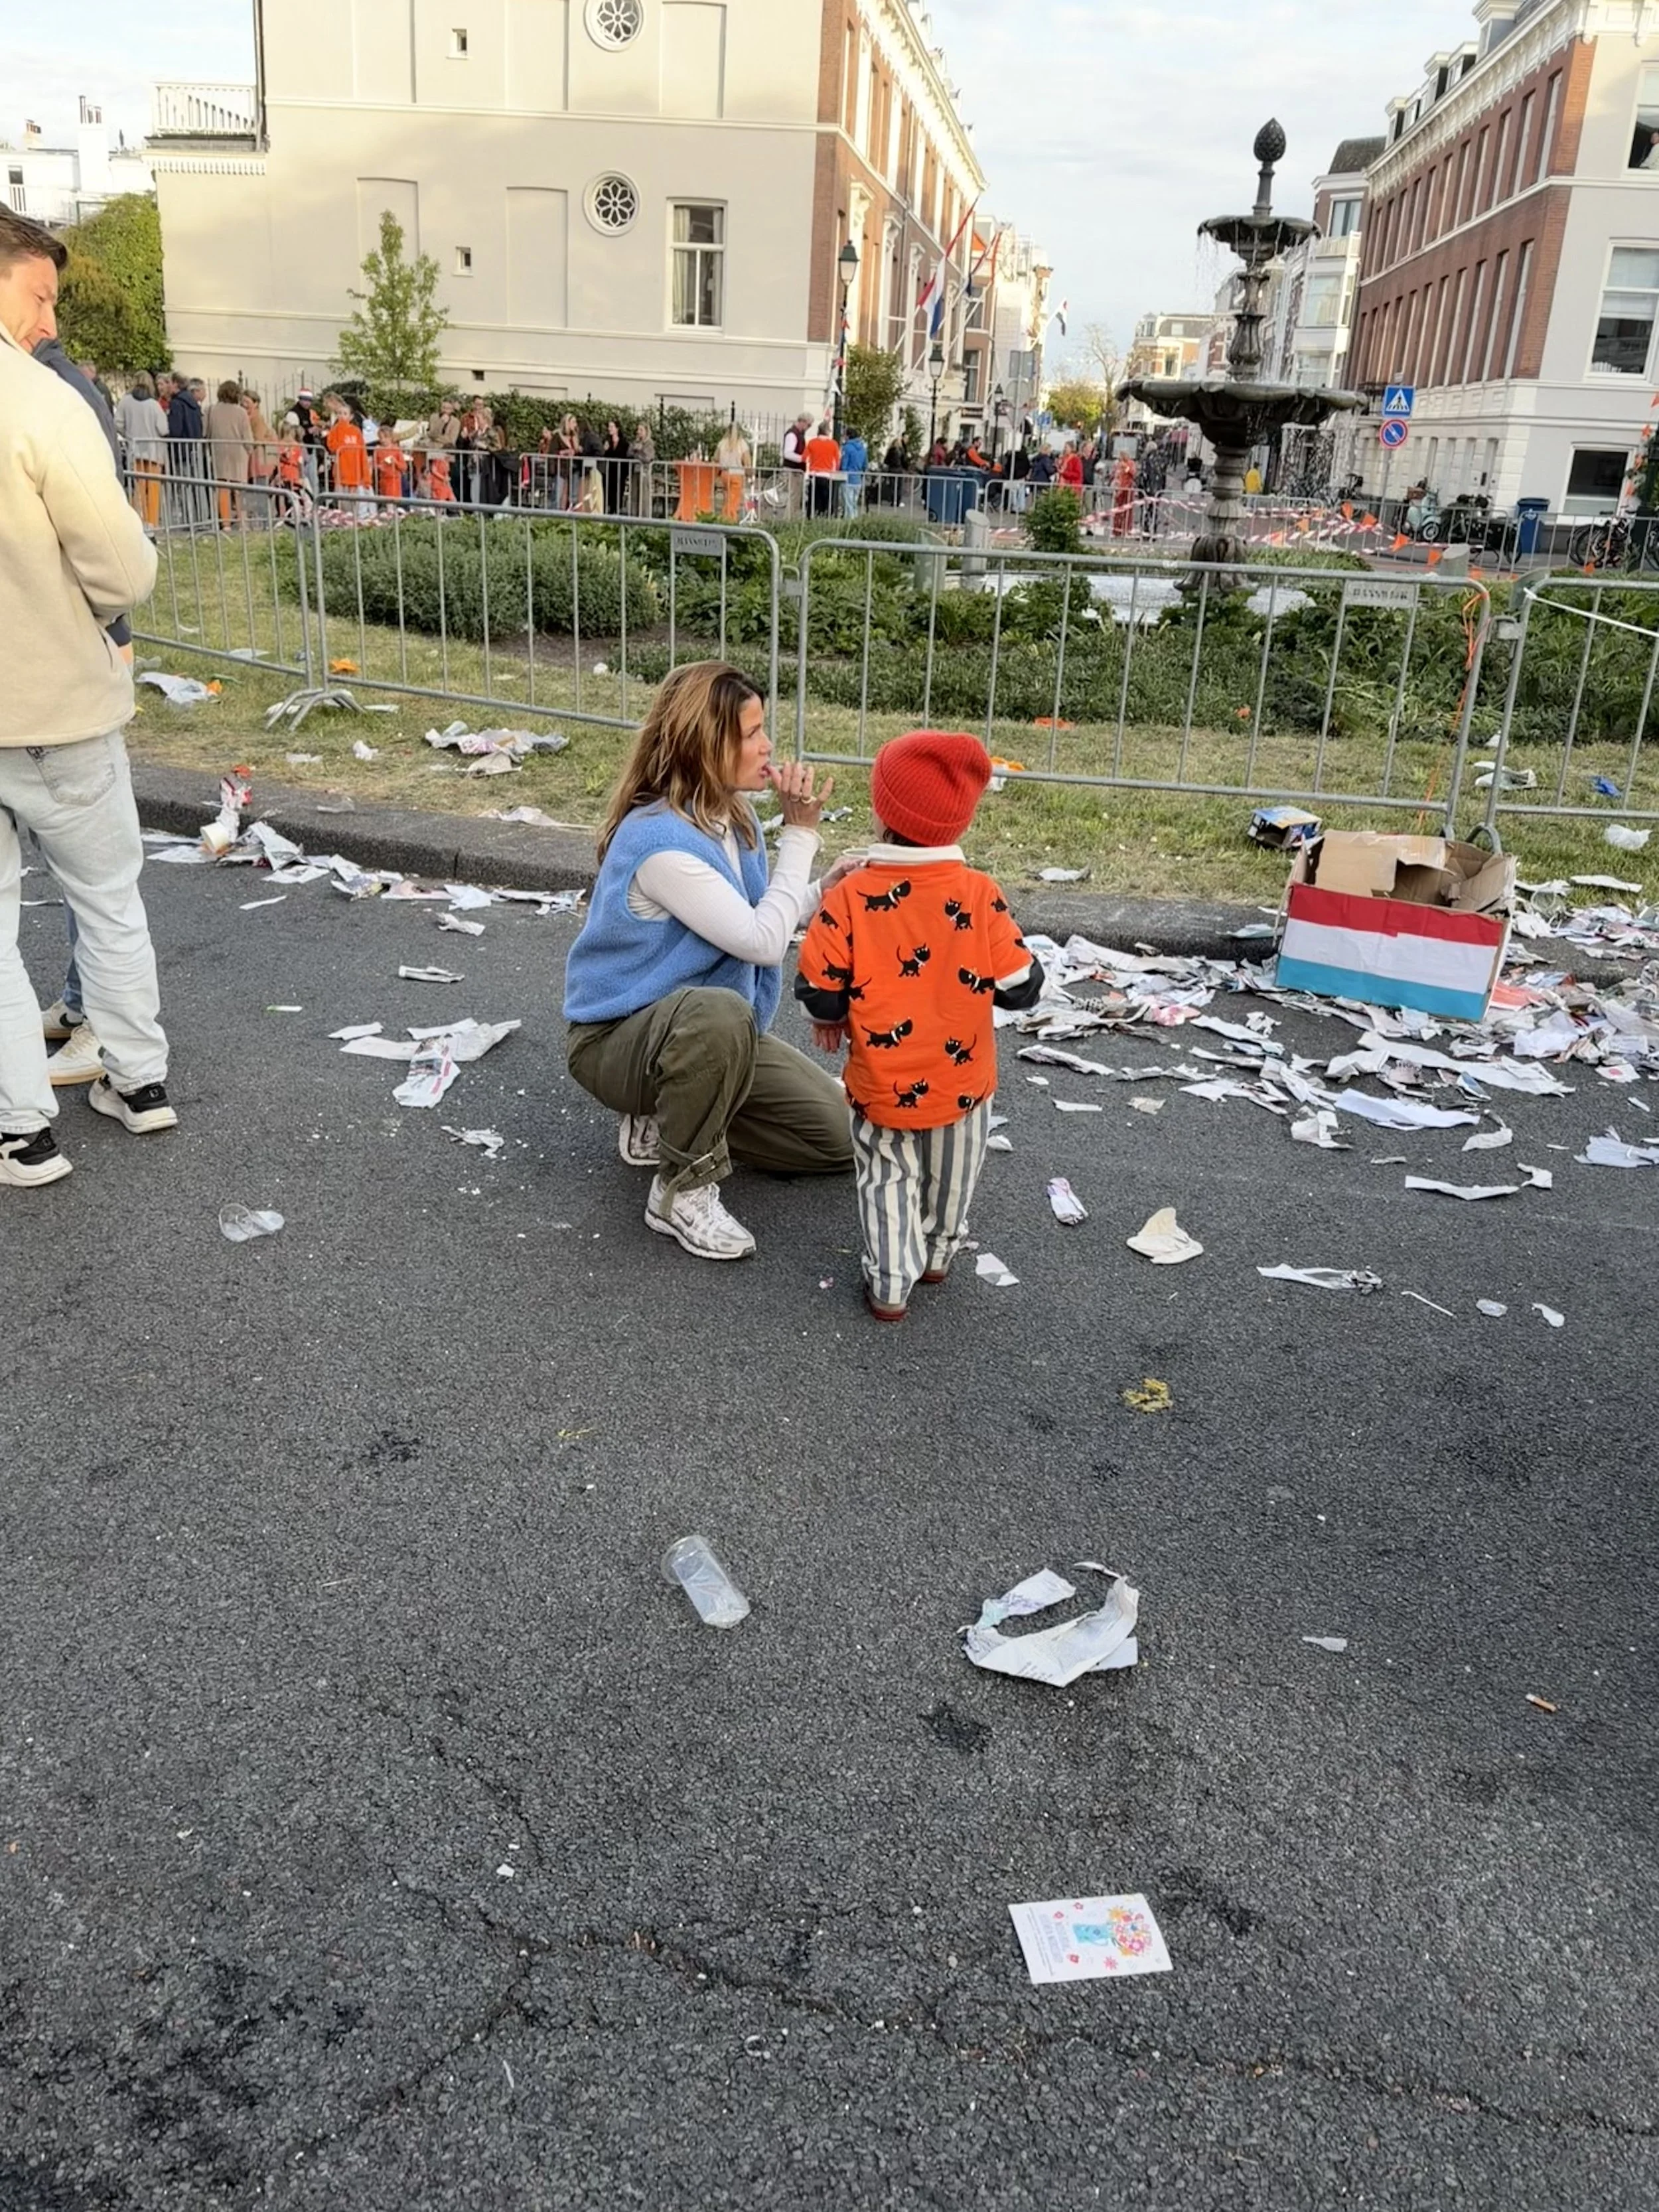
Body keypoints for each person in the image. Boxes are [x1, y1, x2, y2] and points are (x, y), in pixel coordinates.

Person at [563, 661, 854, 1261]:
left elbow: (749, 916)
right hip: (616, 1040)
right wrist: (801, 836)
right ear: (706, 743)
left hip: (702, 1033)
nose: (767, 746)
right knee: (720, 1014)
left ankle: (671, 1119)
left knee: (839, 1136)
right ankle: (682, 1188)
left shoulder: (733, 817)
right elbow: (760, 941)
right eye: (751, 733)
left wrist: (820, 891)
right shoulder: (660, 844)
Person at [0, 208, 173, 1188]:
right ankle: (138, 1080)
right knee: (107, 900)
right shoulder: (42, 403)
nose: (48, 320)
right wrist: (98, 605)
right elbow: (121, 565)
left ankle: (22, 1131)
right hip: (57, 705)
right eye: (39, 295)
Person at [795, 729, 1044, 1321]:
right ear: (962, 819)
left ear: (883, 812)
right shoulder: (980, 895)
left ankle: (889, 1283)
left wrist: (833, 1017)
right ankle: (937, 1255)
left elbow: (819, 991)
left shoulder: (851, 895)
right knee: (952, 1179)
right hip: (963, 1087)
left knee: (886, 1179)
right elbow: (1023, 988)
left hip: (881, 1084)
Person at [115, 371, 169, 532]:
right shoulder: (153, 404)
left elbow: (118, 423)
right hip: (154, 450)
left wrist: (128, 435)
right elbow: (163, 429)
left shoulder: (125, 402)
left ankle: (138, 518)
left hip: (135, 449)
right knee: (153, 487)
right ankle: (152, 521)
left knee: (138, 486)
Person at [205, 378, 253, 528]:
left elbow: (205, 432)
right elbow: (247, 437)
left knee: (223, 488)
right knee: (239, 489)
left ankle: (225, 524)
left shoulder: (211, 410)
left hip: (218, 452)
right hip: (238, 454)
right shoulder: (241, 413)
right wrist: (250, 450)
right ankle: (242, 521)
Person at [164, 368, 207, 530]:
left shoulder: (177, 403)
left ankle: (189, 521)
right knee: (196, 486)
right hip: (194, 449)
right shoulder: (193, 403)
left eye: (169, 383)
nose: (167, 386)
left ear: (175, 384)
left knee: (184, 487)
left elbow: (175, 429)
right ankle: (200, 519)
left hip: (181, 451)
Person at [323, 390, 370, 504]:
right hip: (341, 470)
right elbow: (332, 446)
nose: (342, 416)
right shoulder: (335, 429)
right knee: (342, 500)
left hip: (354, 470)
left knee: (354, 499)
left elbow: (362, 451)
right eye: (340, 413)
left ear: (351, 416)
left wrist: (365, 474)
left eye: (345, 414)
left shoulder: (356, 431)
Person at [714, 419, 749, 520]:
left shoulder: (722, 443)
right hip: (737, 474)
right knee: (734, 500)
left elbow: (716, 458)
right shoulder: (742, 444)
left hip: (725, 473)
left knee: (727, 498)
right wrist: (750, 473)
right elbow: (747, 461)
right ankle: (730, 519)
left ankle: (724, 517)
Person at [804, 419, 840, 518]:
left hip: (814, 474)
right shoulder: (833, 444)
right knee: (826, 501)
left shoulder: (812, 443)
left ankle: (811, 518)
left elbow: (804, 457)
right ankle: (825, 518)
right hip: (827, 475)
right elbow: (837, 461)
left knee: (813, 500)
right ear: (828, 432)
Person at [781, 412, 811, 517]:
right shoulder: (792, 434)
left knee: (796, 497)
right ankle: (789, 519)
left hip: (796, 470)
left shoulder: (798, 434)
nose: (808, 428)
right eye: (808, 425)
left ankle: (791, 518)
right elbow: (788, 453)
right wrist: (802, 459)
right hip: (792, 470)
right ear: (803, 422)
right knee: (794, 497)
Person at [599, 418, 630, 515]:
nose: (610, 429)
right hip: (608, 472)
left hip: (620, 473)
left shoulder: (624, 443)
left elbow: (626, 457)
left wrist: (625, 473)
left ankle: (616, 512)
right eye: (609, 427)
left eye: (612, 427)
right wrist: (605, 450)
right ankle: (607, 512)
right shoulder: (606, 441)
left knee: (618, 494)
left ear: (617, 429)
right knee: (607, 493)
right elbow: (603, 455)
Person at [374, 425, 407, 509]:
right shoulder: (378, 450)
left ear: (391, 438)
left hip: (394, 480)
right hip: (383, 480)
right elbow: (375, 464)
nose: (383, 440)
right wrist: (379, 467)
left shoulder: (396, 450)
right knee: (385, 504)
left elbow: (404, 467)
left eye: (385, 437)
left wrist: (395, 462)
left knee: (392, 504)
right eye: (381, 438)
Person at [631, 417, 657, 516]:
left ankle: (644, 517)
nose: (639, 432)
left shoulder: (649, 443)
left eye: (641, 430)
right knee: (635, 495)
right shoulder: (636, 442)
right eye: (638, 430)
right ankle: (634, 516)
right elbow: (629, 453)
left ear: (646, 431)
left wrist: (638, 452)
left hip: (645, 472)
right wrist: (636, 451)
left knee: (644, 496)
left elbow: (648, 458)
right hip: (635, 471)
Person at [840, 427, 867, 518]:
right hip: (858, 479)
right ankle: (855, 520)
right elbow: (865, 465)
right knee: (854, 504)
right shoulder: (863, 448)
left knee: (848, 505)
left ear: (848, 436)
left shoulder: (847, 448)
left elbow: (844, 464)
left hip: (848, 479)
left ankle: (849, 523)